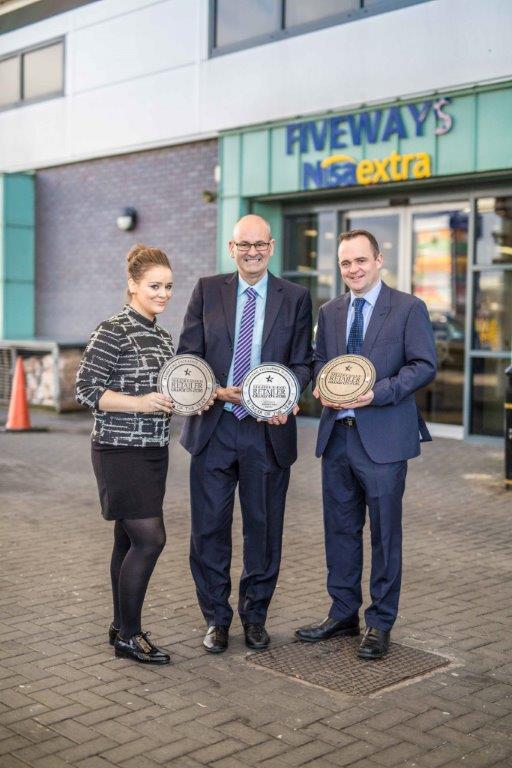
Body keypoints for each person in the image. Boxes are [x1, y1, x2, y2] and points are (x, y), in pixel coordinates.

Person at [295, 229, 436, 659]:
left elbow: (423, 365)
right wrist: (320, 385)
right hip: (338, 436)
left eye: (360, 260)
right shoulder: (330, 311)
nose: (353, 269)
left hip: (384, 440)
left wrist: (377, 393)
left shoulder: (408, 308)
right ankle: (342, 614)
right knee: (340, 531)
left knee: (385, 535)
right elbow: (321, 361)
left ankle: (380, 622)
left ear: (378, 260)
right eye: (345, 263)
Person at [177, 214, 312, 654]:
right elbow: (188, 355)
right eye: (244, 245)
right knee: (208, 531)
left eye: (259, 244)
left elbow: (303, 362)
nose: (252, 252)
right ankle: (216, 619)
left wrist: (287, 396)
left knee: (264, 531)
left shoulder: (295, 297)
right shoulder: (206, 290)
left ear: (271, 247)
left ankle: (255, 618)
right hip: (214, 428)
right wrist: (213, 390)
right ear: (231, 249)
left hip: (266, 434)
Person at [76, 244, 176, 665]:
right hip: (119, 450)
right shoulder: (112, 329)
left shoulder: (162, 336)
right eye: (154, 286)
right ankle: (130, 637)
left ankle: (120, 627)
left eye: (168, 286)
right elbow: (86, 389)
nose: (163, 294)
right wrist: (141, 403)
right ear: (133, 284)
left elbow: (166, 391)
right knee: (151, 538)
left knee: (128, 538)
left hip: (154, 450)